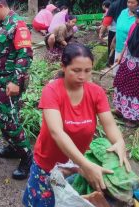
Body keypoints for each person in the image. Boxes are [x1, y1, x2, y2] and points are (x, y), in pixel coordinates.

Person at [23, 43, 131, 207]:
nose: (83, 76)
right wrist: (86, 165)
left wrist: (119, 142)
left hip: (76, 163)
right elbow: (56, 132)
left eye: (88, 71)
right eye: (76, 70)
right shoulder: (51, 91)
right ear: (63, 67)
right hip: (48, 164)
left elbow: (109, 124)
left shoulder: (96, 92)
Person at [0, 0, 33, 180]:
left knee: (10, 122)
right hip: (0, 81)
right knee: (4, 120)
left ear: (0, 5)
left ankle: (27, 157)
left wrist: (17, 81)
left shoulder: (17, 25)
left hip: (10, 82)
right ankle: (13, 148)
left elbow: (25, 54)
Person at [113, 6, 139, 128]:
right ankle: (121, 109)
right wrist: (121, 55)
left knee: (134, 89)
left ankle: (132, 117)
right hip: (128, 60)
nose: (136, 20)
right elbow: (127, 42)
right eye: (136, 17)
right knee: (121, 83)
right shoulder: (134, 26)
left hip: (137, 65)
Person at [99, 0, 127, 67]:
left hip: (114, 31)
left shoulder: (114, 5)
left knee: (112, 47)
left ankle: (111, 63)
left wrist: (101, 33)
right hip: (128, 32)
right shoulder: (133, 5)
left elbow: (107, 21)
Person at [114, 0, 138, 69]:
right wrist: (114, 39)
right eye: (128, 2)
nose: (129, 4)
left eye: (132, 3)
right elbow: (119, 27)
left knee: (125, 73)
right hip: (118, 46)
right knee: (116, 72)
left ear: (137, 4)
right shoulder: (123, 12)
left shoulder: (137, 17)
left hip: (130, 52)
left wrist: (123, 53)